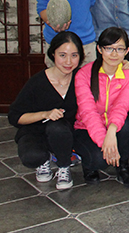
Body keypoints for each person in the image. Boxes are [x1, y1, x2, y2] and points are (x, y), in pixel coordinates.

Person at [9, 31, 85, 190]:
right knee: (32, 157)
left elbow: (105, 73)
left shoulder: (81, 78)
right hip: (35, 131)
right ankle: (46, 159)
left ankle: (64, 165)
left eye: (74, 55)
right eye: (62, 55)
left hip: (64, 132)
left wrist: (123, 65)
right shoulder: (37, 82)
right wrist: (45, 114)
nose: (68, 61)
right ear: (53, 54)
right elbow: (15, 116)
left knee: (59, 129)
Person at [74, 27, 129, 187]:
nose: (114, 54)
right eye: (109, 48)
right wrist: (105, 143)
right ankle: (89, 166)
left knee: (127, 126)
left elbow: (122, 107)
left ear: (127, 51)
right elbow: (88, 112)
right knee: (100, 161)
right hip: (85, 127)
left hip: (112, 125)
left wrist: (111, 131)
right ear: (99, 49)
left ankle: (123, 166)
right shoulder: (84, 74)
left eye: (119, 49)